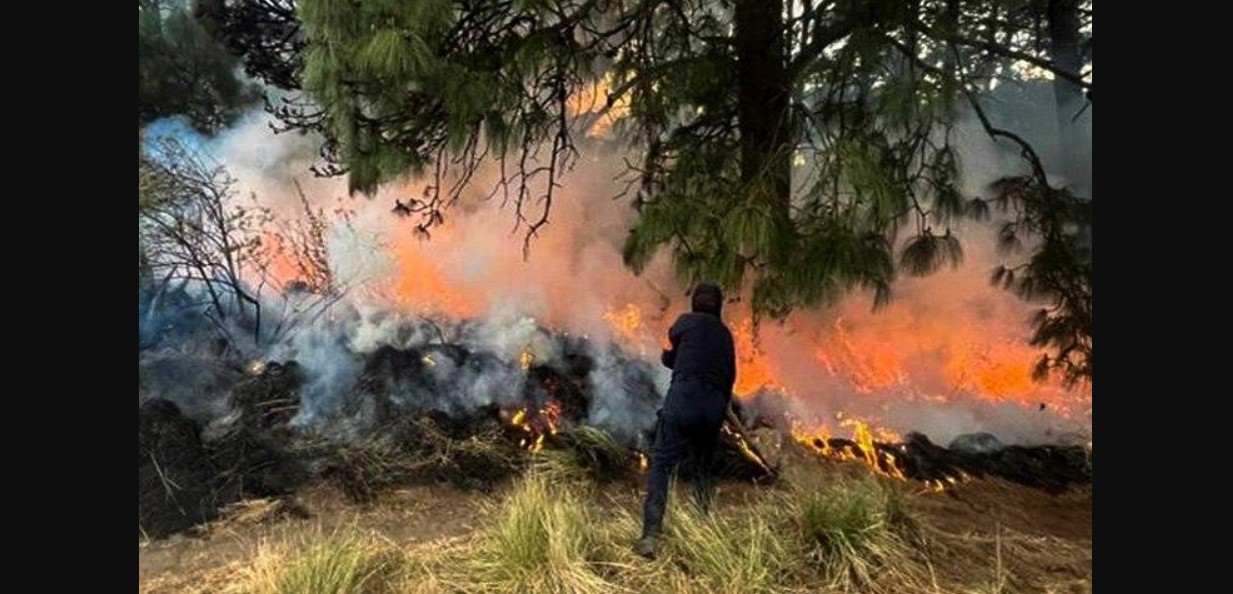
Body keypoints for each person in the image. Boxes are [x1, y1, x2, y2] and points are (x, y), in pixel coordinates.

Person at [633, 282, 736, 559]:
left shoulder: (684, 322)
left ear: (695, 303)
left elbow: (671, 355)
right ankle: (702, 528)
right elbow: (730, 378)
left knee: (662, 464)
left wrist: (670, 357)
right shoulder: (726, 335)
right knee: (704, 469)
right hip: (713, 408)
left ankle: (651, 536)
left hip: (683, 402)